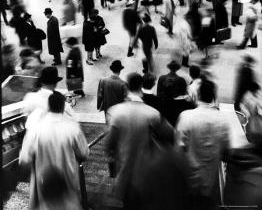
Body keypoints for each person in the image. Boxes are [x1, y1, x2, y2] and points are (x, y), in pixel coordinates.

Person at [105, 72, 171, 210]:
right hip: (148, 171)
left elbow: (109, 145)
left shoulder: (115, 112)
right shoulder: (152, 113)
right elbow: (170, 134)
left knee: (128, 204)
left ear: (127, 86)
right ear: (141, 86)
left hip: (125, 170)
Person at [20, 91, 89, 210]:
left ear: (48, 107)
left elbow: (24, 159)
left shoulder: (36, 129)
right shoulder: (73, 128)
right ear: (63, 107)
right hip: (69, 181)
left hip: (44, 183)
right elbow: (84, 153)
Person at [176, 80, 230, 210]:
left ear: (198, 96)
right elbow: (226, 153)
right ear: (213, 97)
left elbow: (178, 148)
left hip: (189, 177)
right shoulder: (223, 120)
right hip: (210, 180)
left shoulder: (186, 117)